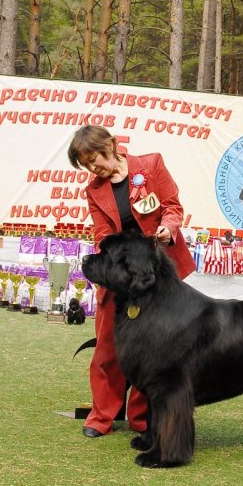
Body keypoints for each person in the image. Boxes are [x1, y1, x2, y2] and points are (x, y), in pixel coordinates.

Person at [67, 125, 196, 438]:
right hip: (121, 273)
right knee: (107, 349)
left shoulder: (150, 165)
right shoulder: (94, 190)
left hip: (157, 273)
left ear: (110, 145)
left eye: (93, 158)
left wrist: (168, 228)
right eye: (85, 164)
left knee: (154, 346)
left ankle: (142, 419)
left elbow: (172, 207)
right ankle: (101, 417)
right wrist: (112, 258)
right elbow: (101, 233)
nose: (92, 167)